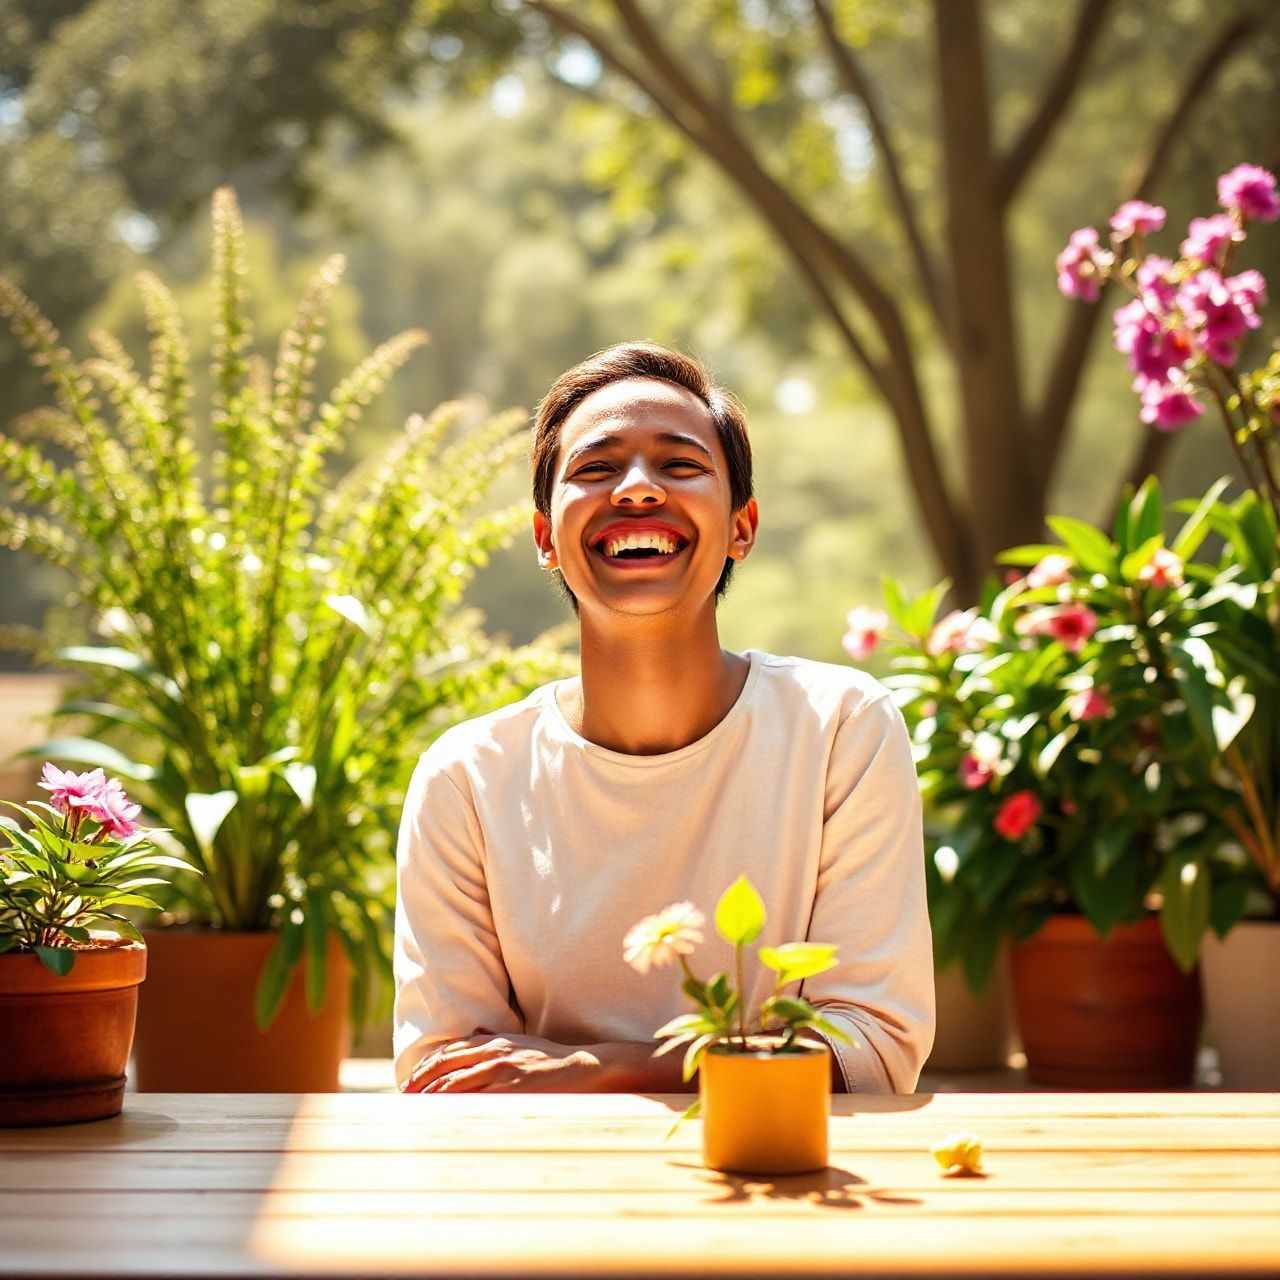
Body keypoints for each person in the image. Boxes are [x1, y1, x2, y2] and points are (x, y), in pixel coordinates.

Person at [393, 341, 934, 1095]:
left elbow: (873, 1051)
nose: (639, 490)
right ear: (546, 537)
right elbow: (449, 1073)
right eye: (596, 468)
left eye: (680, 465)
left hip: (788, 1179)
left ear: (741, 527)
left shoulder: (841, 730)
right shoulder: (467, 780)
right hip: (534, 1187)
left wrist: (593, 1068)